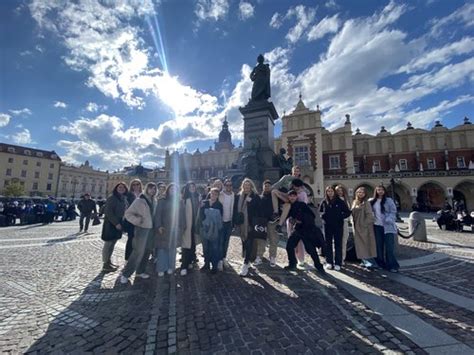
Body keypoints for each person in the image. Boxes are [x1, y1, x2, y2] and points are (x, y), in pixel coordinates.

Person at [120, 182, 157, 284]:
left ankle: (140, 271)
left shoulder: (154, 201)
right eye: (151, 188)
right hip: (142, 229)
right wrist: (137, 220)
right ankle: (126, 274)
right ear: (146, 189)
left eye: (154, 189)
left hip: (151, 229)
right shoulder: (140, 200)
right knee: (137, 252)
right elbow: (128, 214)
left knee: (147, 251)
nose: (152, 190)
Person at [284, 190, 325, 274]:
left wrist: (301, 220)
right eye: (290, 196)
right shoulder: (289, 206)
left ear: (296, 197)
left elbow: (311, 216)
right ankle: (292, 264)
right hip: (298, 229)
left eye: (293, 196)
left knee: (311, 249)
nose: (292, 197)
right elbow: (287, 216)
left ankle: (318, 266)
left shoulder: (302, 204)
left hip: (307, 230)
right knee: (289, 245)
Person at [275, 178, 308, 268]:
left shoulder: (303, 194)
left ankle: (301, 259)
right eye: (295, 186)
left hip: (299, 220)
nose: (296, 188)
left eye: (297, 186)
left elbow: (304, 206)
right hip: (290, 220)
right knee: (291, 240)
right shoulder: (291, 193)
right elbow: (286, 199)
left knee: (300, 241)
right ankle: (293, 260)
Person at [155, 183, 185, 276]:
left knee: (172, 249)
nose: (173, 191)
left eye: (175, 189)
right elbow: (158, 215)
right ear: (168, 190)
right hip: (164, 228)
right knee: (162, 249)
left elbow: (182, 216)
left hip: (175, 229)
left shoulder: (179, 202)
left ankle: (170, 267)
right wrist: (159, 226)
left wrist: (182, 227)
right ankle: (161, 268)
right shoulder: (162, 201)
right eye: (171, 189)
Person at [320, 186, 351, 271]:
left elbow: (347, 212)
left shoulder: (340, 201)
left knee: (338, 244)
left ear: (334, 192)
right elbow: (320, 211)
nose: (330, 193)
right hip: (327, 226)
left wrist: (340, 216)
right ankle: (329, 262)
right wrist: (323, 216)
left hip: (338, 226)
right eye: (328, 191)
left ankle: (338, 263)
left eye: (331, 191)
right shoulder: (324, 201)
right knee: (328, 244)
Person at [370, 185, 400, 273]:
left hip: (388, 226)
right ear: (376, 191)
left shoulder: (389, 200)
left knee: (389, 247)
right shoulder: (372, 201)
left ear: (384, 191)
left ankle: (391, 265)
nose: (380, 191)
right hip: (377, 226)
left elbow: (393, 211)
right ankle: (380, 263)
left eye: (382, 190)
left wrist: (389, 219)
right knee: (378, 246)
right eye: (378, 190)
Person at [101, 182, 128, 273]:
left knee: (112, 244)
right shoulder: (112, 198)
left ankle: (109, 261)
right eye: (120, 187)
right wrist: (116, 223)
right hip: (110, 223)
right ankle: (105, 264)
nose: (121, 189)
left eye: (123, 188)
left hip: (118, 223)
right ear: (116, 188)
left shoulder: (123, 199)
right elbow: (108, 212)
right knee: (108, 244)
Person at [237, 178, 261, 277]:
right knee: (244, 242)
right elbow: (237, 210)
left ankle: (246, 263)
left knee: (249, 243)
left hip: (251, 224)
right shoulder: (239, 196)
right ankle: (248, 259)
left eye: (248, 185)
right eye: (245, 185)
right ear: (243, 186)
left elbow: (259, 209)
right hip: (242, 224)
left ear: (251, 186)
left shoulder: (255, 197)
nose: (246, 187)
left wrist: (251, 202)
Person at [351, 187, 377, 269]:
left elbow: (370, 216)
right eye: (358, 192)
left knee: (366, 244)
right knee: (360, 245)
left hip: (364, 228)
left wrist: (363, 224)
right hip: (356, 227)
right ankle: (363, 260)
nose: (360, 194)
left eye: (362, 192)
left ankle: (371, 262)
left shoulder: (366, 203)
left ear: (365, 194)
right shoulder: (355, 202)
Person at [200, 188, 223, 274]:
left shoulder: (219, 205)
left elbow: (220, 218)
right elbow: (201, 215)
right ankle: (206, 264)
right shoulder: (204, 202)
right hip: (205, 228)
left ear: (218, 196)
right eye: (212, 193)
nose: (214, 195)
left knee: (214, 248)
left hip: (214, 230)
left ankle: (214, 266)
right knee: (205, 247)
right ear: (210, 194)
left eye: (216, 194)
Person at [180, 182, 201, 274]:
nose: (192, 188)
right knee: (185, 246)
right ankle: (184, 266)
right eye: (190, 187)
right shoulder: (184, 199)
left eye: (193, 186)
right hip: (187, 225)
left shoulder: (198, 197)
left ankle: (190, 262)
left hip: (195, 225)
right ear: (187, 188)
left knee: (193, 245)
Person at [218, 179, 237, 270]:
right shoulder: (220, 194)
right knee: (220, 241)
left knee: (226, 242)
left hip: (229, 222)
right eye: (227, 185)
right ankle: (219, 260)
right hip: (221, 221)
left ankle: (224, 258)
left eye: (230, 185)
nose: (228, 187)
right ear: (224, 185)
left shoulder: (233, 195)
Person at [259, 180, 278, 267]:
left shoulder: (274, 196)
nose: (266, 187)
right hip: (262, 221)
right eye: (265, 186)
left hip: (272, 221)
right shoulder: (260, 197)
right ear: (263, 187)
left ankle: (272, 257)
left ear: (271, 187)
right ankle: (259, 256)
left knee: (273, 240)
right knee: (261, 240)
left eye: (268, 186)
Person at [124, 179, 143, 261]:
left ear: (140, 185)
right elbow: (126, 208)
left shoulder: (143, 195)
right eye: (134, 184)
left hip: (141, 220)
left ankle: (137, 256)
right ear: (131, 186)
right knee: (131, 238)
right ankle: (128, 257)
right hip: (131, 220)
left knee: (139, 239)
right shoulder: (128, 195)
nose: (136, 186)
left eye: (137, 184)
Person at [335, 185, 350, 264]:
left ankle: (342, 258)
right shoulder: (334, 200)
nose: (339, 192)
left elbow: (348, 211)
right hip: (337, 223)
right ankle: (337, 258)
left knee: (344, 240)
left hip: (344, 222)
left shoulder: (346, 200)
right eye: (338, 191)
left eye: (341, 190)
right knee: (337, 241)